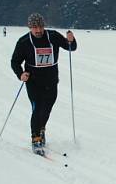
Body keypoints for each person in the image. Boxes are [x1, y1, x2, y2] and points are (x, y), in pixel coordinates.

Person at [10, 13, 77, 156]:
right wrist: (20, 74)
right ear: (29, 28)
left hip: (51, 81)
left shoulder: (53, 36)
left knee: (47, 109)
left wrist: (72, 40)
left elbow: (71, 47)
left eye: (40, 26)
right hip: (33, 82)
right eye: (35, 28)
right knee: (37, 108)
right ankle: (36, 138)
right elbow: (15, 61)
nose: (38, 30)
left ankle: (41, 129)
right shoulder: (24, 42)